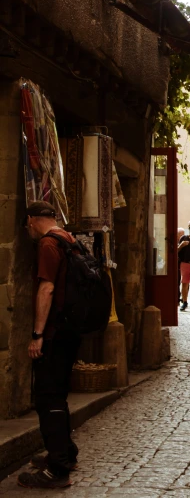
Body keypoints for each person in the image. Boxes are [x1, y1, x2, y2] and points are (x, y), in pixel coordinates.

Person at [17, 201, 82, 489]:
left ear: (32, 219)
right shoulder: (69, 238)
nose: (27, 228)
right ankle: (66, 453)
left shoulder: (47, 244)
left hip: (55, 332)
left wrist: (37, 334)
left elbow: (47, 288)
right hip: (71, 330)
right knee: (58, 393)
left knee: (48, 396)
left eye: (27, 223)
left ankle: (57, 470)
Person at [177, 227, 185, 304]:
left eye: (183, 234)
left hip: (185, 264)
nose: (182, 236)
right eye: (180, 234)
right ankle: (177, 298)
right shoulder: (176, 242)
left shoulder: (186, 242)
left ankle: (184, 297)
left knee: (185, 282)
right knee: (177, 281)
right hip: (177, 265)